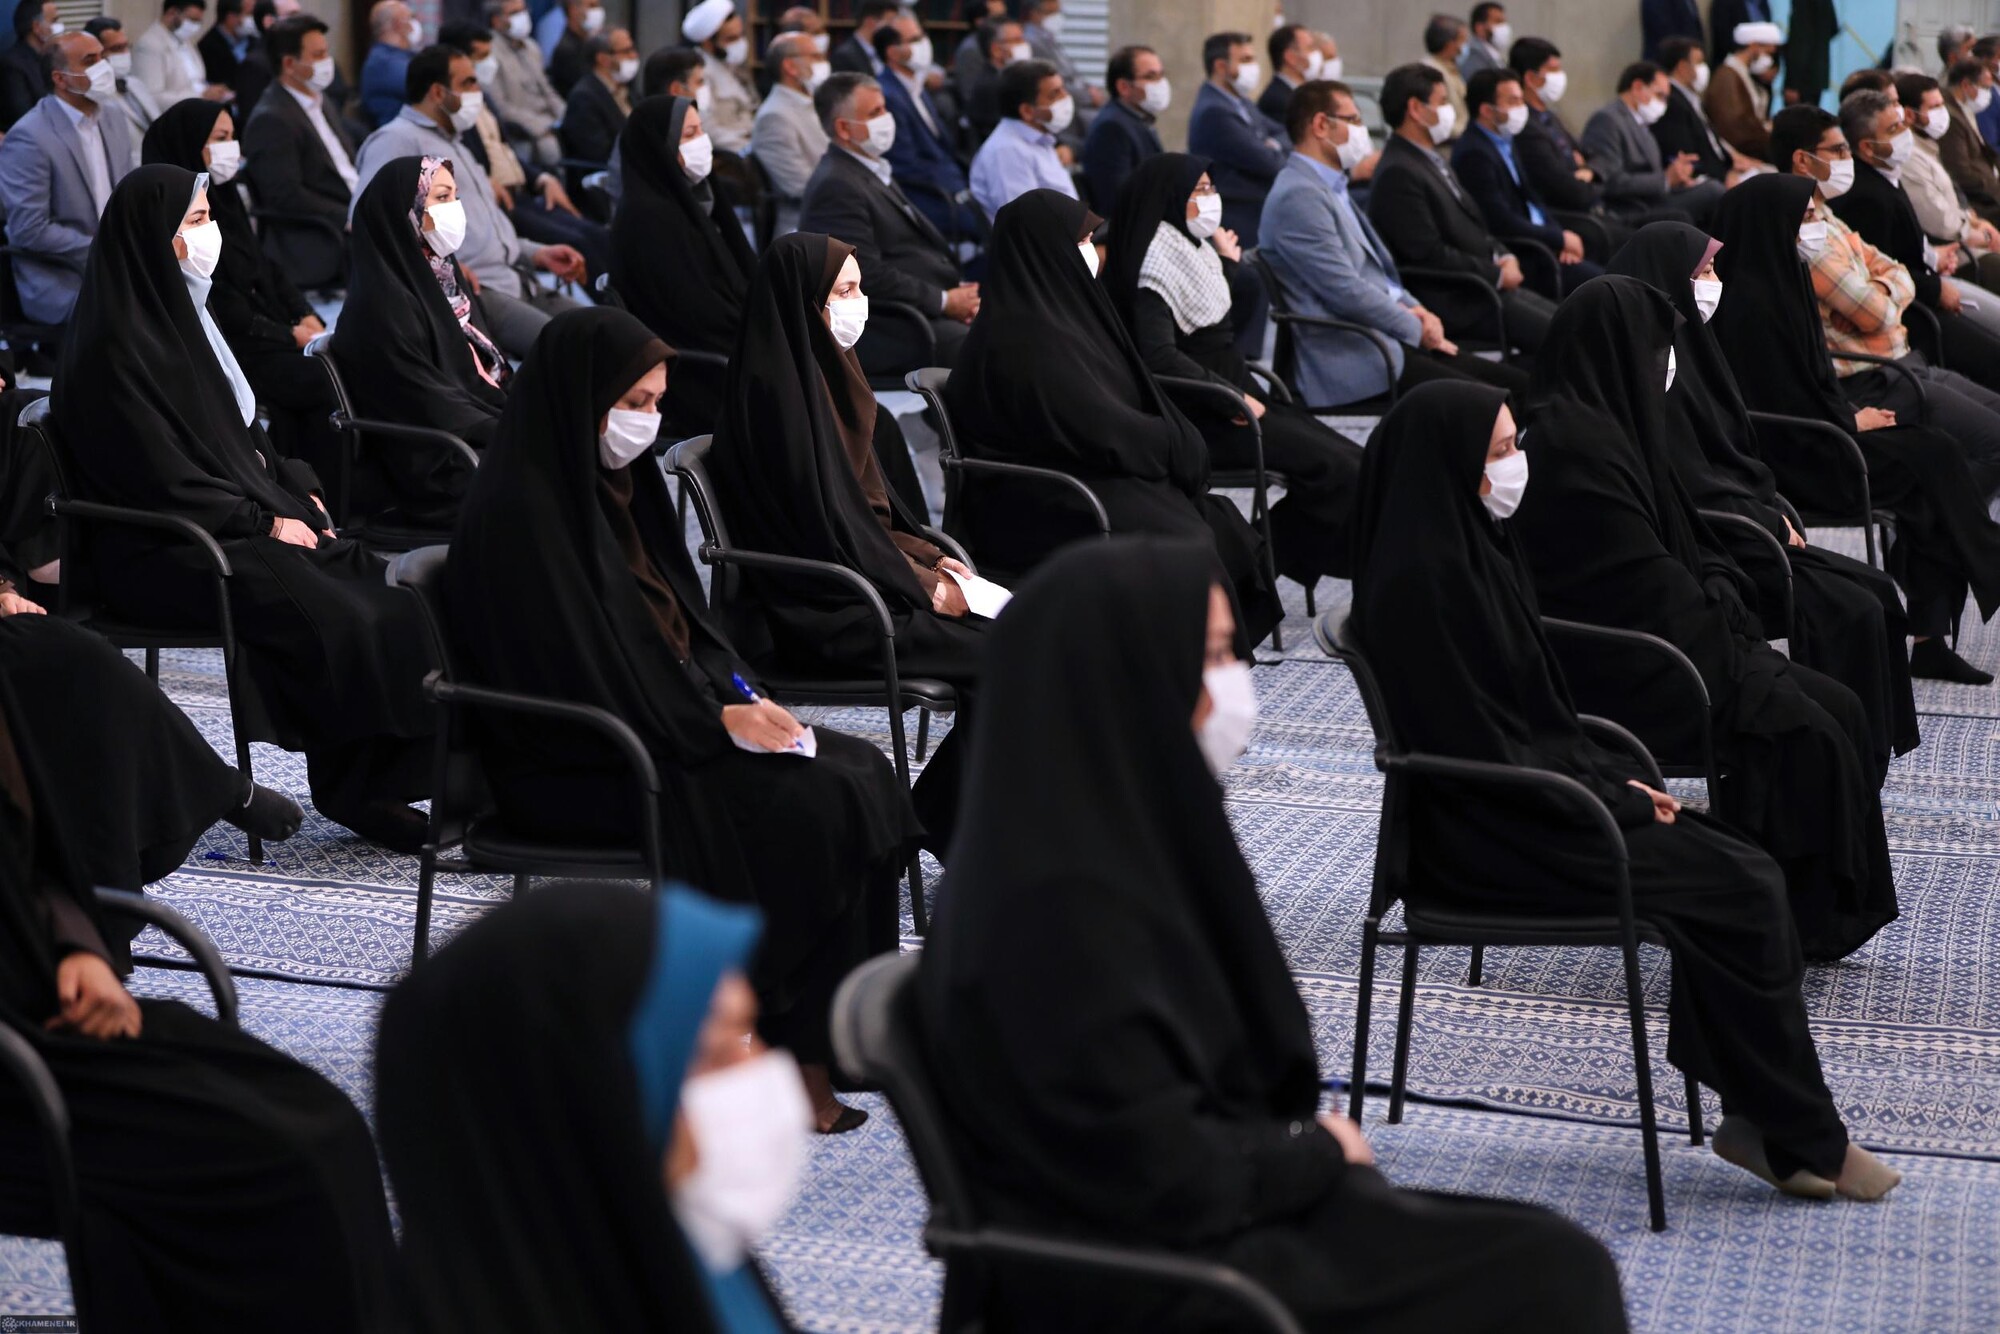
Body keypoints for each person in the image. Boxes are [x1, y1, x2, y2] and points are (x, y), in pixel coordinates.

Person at [919, 534, 1634, 1334]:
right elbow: (1164, 1175)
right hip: (1151, 1277)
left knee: (1545, 1257)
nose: (1237, 680)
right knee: (1551, 1280)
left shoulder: (1111, 828)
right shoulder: (1058, 910)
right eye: (1213, 656)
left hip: (1203, 1228)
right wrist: (1321, 1153)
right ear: (1129, 678)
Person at [1345, 379, 1902, 1202]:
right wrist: (1622, 801)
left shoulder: (1472, 548)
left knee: (1742, 862)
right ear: (1450, 464)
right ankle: (1802, 1135)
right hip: (1484, 841)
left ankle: (1766, 1119)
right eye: (1500, 452)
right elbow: (1488, 748)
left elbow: (1536, 720)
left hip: (1534, 805)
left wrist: (1618, 781)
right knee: (1740, 883)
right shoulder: (1423, 586)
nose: (1518, 464)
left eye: (1514, 444)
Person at [443, 307, 916, 1127]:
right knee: (814, 807)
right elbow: (572, 675)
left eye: (658, 403)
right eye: (632, 402)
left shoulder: (617, 490)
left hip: (663, 726)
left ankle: (831, 1039)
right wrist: (709, 725)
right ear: (580, 398)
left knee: (862, 772)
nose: (647, 422)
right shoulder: (522, 511)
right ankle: (769, 1043)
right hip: (580, 761)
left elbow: (687, 630)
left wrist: (740, 693)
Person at [0, 640, 402, 1333]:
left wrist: (79, 948)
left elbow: (26, 863)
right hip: (20, 1062)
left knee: (324, 1123)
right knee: (280, 1170)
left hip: (53, 1009)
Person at [1511, 276, 1899, 961]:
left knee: (1842, 705)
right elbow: (1638, 586)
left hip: (1673, 639)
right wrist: (1731, 636)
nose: (1669, 362)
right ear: (1619, 349)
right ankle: (1785, 914)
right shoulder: (1569, 451)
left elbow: (1689, 545)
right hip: (1622, 667)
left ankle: (1812, 908)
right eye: (1658, 347)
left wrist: (1722, 600)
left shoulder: (1614, 422)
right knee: (1805, 727)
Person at [51, 165, 435, 849]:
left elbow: (242, 434)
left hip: (223, 523)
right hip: (159, 547)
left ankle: (381, 778)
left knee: (383, 588)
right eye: (197, 221)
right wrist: (262, 519)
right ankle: (353, 790)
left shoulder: (183, 317)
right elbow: (154, 475)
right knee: (336, 612)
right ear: (155, 237)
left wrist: (294, 490)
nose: (211, 233)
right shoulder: (110, 346)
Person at [376, 882, 810, 1331]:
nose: (758, 1070)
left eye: (749, 1035)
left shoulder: (682, 1248)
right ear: (591, 1096)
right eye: (718, 1055)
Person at [1606, 220, 1918, 766]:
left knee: (1877, 593)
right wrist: (1767, 521)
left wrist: (1770, 508)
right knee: (1852, 609)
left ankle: (1864, 755)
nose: (1714, 281)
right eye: (1705, 270)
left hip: (1746, 519)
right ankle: (1844, 755)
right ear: (1668, 277)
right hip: (1720, 540)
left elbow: (1732, 455)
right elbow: (1687, 480)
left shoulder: (1690, 346)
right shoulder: (1649, 369)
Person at [707, 234, 983, 848]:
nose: (860, 304)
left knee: (1015, 642)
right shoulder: (775, 398)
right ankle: (938, 826)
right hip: (822, 609)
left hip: (868, 585)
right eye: (845, 291)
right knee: (1014, 655)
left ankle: (951, 824)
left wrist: (933, 560)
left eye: (860, 288)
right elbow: (825, 531)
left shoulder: (831, 375)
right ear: (805, 303)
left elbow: (871, 517)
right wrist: (922, 586)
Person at [944, 189, 1283, 645]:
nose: (1092, 251)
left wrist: (1167, 441)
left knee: (1214, 520)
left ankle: (1191, 664)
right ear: (1046, 249)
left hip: (1078, 472)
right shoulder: (1018, 341)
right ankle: (1181, 667)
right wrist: (1172, 441)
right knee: (1187, 541)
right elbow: (1097, 428)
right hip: (1037, 497)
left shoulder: (1061, 314)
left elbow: (1112, 412)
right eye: (1082, 240)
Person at [1712, 172, 2000, 683]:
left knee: (1934, 465)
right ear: (1772, 223)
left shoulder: (1785, 275)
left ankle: (1932, 636)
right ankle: (1977, 575)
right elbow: (1772, 403)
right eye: (1804, 217)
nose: (1814, 227)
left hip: (1826, 426)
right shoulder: (1749, 301)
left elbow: (1812, 380)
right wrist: (1849, 420)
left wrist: (1847, 415)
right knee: (1933, 463)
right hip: (1800, 453)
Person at [1105, 153, 1364, 585]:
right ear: (1171, 197)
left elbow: (1207, 317)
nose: (1211, 198)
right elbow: (1161, 356)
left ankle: (1255, 559)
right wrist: (1230, 397)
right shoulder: (1156, 262)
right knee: (1339, 471)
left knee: (1354, 460)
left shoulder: (1188, 247)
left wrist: (1226, 263)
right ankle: (1249, 570)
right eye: (1200, 190)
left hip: (1236, 394)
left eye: (1211, 187)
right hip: (1203, 414)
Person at [1777, 105, 2000, 502]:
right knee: (1992, 442)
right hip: (1876, 377)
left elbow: (1893, 267)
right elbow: (1877, 312)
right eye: (1838, 151)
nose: (1848, 159)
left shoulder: (1825, 213)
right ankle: (1949, 530)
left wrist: (1886, 285)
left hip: (1905, 359)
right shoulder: (1804, 230)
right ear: (1802, 160)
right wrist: (1891, 287)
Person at [1261, 80, 1529, 407]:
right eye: (1353, 120)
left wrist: (1419, 311)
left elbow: (1379, 277)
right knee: (1497, 401)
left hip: (1387, 334)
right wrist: (1414, 327)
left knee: (1517, 386)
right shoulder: (1299, 195)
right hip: (1357, 351)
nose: (1361, 131)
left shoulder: (1328, 186)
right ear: (1320, 125)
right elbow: (1344, 289)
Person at [141, 99, 337, 473]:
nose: (232, 148)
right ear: (190, 143)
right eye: (220, 138)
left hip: (267, 330)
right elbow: (219, 303)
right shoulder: (174, 214)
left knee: (334, 365)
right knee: (322, 380)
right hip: (232, 345)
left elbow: (265, 267)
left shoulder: (224, 197)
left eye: (232, 136)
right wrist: (289, 334)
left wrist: (304, 313)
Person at [354, 43, 585, 358]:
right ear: (438, 92)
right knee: (571, 352)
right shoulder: (397, 141)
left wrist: (537, 253)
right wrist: (437, 268)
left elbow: (484, 233)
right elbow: (368, 226)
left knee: (606, 335)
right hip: (474, 292)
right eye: (468, 83)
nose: (478, 91)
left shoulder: (456, 144)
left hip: (516, 279)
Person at [330, 155, 506, 528]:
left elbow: (478, 373)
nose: (454, 208)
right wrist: (516, 426)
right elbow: (430, 404)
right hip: (436, 465)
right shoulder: (379, 306)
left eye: (455, 196)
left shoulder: (439, 276)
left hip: (472, 437)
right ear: (404, 212)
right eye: (440, 197)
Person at [1369, 61, 1557, 354]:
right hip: (1458, 298)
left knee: (1567, 320)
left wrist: (1504, 255)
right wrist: (1495, 274)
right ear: (1415, 109)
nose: (1449, 111)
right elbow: (1428, 254)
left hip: (1483, 285)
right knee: (1561, 336)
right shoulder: (1399, 171)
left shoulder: (1430, 158)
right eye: (1442, 102)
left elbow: (1474, 223)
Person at [799, 72, 977, 377]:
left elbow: (907, 249)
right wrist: (943, 301)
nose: (886, 119)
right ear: (843, 128)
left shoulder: (869, 167)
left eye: (885, 109)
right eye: (875, 113)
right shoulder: (837, 185)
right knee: (984, 345)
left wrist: (951, 292)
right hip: (892, 324)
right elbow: (865, 274)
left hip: (920, 305)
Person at [611, 95, 752, 435]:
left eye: (701, 130)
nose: (702, 142)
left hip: (728, 351)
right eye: (689, 134)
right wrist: (764, 329)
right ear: (659, 147)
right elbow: (694, 315)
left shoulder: (695, 198)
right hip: (699, 375)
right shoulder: (649, 219)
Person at [1832, 89, 2000, 367]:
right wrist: (1936, 289)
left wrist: (1934, 255)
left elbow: (1907, 240)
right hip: (1916, 309)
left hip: (1930, 280)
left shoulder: (1885, 174)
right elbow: (1880, 269)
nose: (1904, 132)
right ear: (1868, 147)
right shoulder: (1867, 197)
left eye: (1901, 123)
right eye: (1893, 129)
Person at [0, 31, 134, 326]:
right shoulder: (30, 136)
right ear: (60, 79)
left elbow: (127, 194)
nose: (103, 66)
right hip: (62, 276)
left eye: (103, 56)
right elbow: (29, 230)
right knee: (137, 316)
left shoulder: (113, 116)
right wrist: (103, 248)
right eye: (90, 61)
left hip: (116, 263)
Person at [1453, 66, 1598, 296]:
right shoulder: (1474, 154)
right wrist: (1558, 239)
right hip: (1524, 252)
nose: (1522, 108)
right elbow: (1500, 220)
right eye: (1513, 101)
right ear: (1487, 110)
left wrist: (1560, 236)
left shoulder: (1505, 140)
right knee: (1602, 285)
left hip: (1543, 239)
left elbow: (1533, 198)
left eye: (1521, 100)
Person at [238, 13, 354, 290]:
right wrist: (348, 216)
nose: (327, 62)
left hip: (352, 206)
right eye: (318, 55)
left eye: (326, 52)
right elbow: (286, 196)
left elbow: (343, 165)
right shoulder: (271, 118)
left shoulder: (320, 101)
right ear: (289, 64)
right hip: (318, 232)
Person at [1582, 61, 1724, 227]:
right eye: (1659, 96)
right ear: (1637, 87)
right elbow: (1610, 180)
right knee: (1713, 191)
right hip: (1632, 207)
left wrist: (1678, 176)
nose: (1663, 105)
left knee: (1713, 188)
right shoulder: (1607, 120)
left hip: (1653, 199)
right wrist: (1665, 179)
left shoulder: (1641, 123)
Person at [876, 12, 976, 242]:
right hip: (928, 195)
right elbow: (905, 164)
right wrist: (955, 188)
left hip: (952, 184)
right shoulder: (887, 95)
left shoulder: (916, 86)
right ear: (892, 52)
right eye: (914, 40)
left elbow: (941, 146)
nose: (923, 44)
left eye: (922, 36)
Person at [1898, 71, 2000, 292]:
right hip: (1956, 255)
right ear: (1909, 114)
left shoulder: (1928, 146)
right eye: (1934, 107)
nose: (1942, 113)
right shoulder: (1909, 156)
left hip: (1969, 238)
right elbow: (1939, 220)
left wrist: (1975, 221)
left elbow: (1952, 199)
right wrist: (1983, 235)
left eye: (1942, 105)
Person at [1186, 31, 1286, 245]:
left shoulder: (1241, 102)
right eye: (1245, 60)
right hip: (1238, 217)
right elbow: (1269, 163)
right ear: (1221, 66)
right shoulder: (1214, 111)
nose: (1254, 67)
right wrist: (1268, 146)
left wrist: (1273, 144)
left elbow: (1284, 133)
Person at [969, 58, 1075, 218]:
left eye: (1063, 89)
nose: (1066, 97)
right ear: (1027, 111)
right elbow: (1027, 222)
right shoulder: (1007, 152)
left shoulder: (1040, 138)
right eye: (1054, 94)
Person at [1654, 35, 1763, 186]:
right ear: (1682, 67)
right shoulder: (1673, 103)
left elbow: (1711, 140)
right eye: (1699, 62)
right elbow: (1689, 154)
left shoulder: (1691, 98)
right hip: (1708, 179)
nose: (1704, 68)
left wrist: (1734, 161)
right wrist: (1725, 175)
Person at [1082, 43, 1165, 210]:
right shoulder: (1111, 128)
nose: (1160, 83)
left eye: (1161, 75)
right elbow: (1116, 199)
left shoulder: (1138, 119)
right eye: (1151, 77)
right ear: (1124, 87)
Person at [749, 30, 829, 200]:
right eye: (815, 57)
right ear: (790, 67)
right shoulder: (774, 117)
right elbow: (801, 186)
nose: (823, 62)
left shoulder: (816, 101)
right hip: (814, 212)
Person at [480, 0, 562, 166]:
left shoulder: (532, 47)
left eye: (524, 10)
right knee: (549, 149)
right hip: (525, 133)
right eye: (514, 13)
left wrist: (566, 116)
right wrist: (541, 126)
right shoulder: (488, 54)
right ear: (496, 20)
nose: (523, 16)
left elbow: (547, 90)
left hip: (551, 124)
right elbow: (500, 106)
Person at [683, 0, 753, 153]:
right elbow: (706, 126)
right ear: (708, 42)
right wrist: (748, 150)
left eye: (740, 36)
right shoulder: (701, 74)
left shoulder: (732, 66)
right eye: (731, 39)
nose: (739, 44)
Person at [86, 16, 163, 155]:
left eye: (126, 46)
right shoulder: (93, 98)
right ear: (96, 55)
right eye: (116, 48)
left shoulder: (135, 83)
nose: (125, 53)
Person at [558, 26, 634, 165]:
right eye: (626, 51)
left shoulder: (627, 91)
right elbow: (599, 153)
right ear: (603, 59)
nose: (633, 56)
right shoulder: (584, 98)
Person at [1705, 20, 1779, 162]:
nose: (1768, 59)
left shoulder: (1743, 72)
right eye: (1767, 53)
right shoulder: (1727, 76)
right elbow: (1733, 126)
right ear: (1754, 46)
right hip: (1743, 154)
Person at [132, 0, 226, 109]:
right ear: (172, 13)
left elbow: (196, 80)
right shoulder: (149, 45)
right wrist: (200, 97)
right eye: (192, 20)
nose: (195, 26)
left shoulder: (185, 41)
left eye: (198, 22)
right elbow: (152, 97)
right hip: (175, 114)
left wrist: (212, 91)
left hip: (197, 109)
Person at [1939, 58, 2000, 223]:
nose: (1988, 94)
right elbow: (1960, 172)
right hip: (1981, 201)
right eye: (1985, 88)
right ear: (1966, 85)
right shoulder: (1951, 118)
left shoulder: (1966, 108)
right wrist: (1994, 187)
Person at [196, 0, 267, 116]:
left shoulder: (254, 41)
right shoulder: (208, 46)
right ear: (231, 17)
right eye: (249, 14)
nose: (253, 19)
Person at [0, 0, 58, 130]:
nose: (58, 27)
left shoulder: (53, 57)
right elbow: (23, 116)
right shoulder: (12, 65)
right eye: (53, 21)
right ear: (37, 27)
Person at [358, 0, 416, 128]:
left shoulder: (405, 56)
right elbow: (427, 87)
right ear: (398, 24)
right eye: (410, 19)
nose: (413, 27)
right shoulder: (382, 63)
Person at [1419, 13, 1469, 141]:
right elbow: (1436, 117)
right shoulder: (1431, 71)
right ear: (1449, 43)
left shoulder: (1450, 68)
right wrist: (1466, 133)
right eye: (1462, 40)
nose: (1465, 46)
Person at [1258, 21, 1320, 123]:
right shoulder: (1278, 101)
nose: (1316, 54)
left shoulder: (1302, 94)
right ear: (1290, 57)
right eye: (1310, 48)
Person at [540, 0, 597, 100]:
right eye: (592, 6)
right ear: (573, 10)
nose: (597, 11)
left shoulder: (589, 43)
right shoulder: (566, 52)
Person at [831, 0, 895, 76]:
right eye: (889, 22)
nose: (893, 28)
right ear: (870, 22)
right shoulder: (844, 57)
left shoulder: (884, 50)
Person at [1458, 1, 1510, 77]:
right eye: (1498, 22)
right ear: (1479, 27)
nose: (1503, 27)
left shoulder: (1493, 55)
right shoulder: (1472, 56)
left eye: (1503, 22)